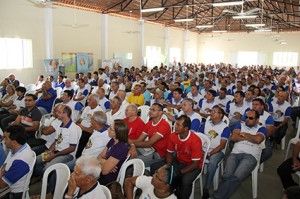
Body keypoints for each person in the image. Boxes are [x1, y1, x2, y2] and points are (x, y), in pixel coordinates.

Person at [213, 109, 267, 199]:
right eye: (246, 117)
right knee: (227, 175)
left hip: (251, 156)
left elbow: (258, 140)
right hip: (235, 153)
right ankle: (221, 195)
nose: (247, 119)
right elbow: (234, 137)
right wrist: (251, 137)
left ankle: (217, 196)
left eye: (250, 118)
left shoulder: (262, 128)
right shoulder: (239, 124)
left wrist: (244, 135)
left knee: (236, 177)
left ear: (257, 120)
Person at [166, 115, 203, 199]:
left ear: (186, 128)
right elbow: (169, 153)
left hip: (194, 165)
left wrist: (180, 172)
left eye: (178, 125)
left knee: (185, 181)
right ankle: (170, 194)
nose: (175, 126)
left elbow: (195, 164)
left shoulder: (195, 140)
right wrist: (168, 165)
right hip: (180, 160)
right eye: (176, 124)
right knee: (164, 170)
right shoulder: (173, 136)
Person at [0, 125, 35, 199]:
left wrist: (1, 173)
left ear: (14, 142)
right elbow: (4, 166)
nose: (3, 140)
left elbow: (2, 185)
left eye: (6, 138)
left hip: (14, 193)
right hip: (7, 183)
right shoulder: (19, 146)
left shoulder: (21, 162)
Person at [97, 119, 129, 185]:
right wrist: (105, 162)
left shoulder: (120, 148)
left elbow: (105, 171)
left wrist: (103, 162)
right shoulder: (113, 140)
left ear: (117, 133)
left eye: (111, 129)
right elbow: (99, 157)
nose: (108, 129)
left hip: (107, 179)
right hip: (99, 171)